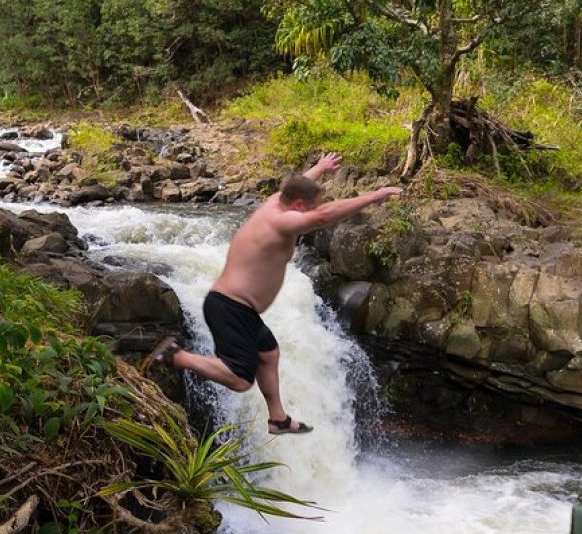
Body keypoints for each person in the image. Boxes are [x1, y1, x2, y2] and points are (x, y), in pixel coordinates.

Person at [147, 153, 402, 434]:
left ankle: (278, 419)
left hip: (237, 306)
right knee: (241, 380)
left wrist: (320, 167)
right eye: (310, 207)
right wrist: (375, 196)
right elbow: (325, 216)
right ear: (298, 206)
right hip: (230, 307)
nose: (314, 210)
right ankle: (176, 356)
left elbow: (298, 187)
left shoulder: (276, 202)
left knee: (268, 353)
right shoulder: (282, 222)